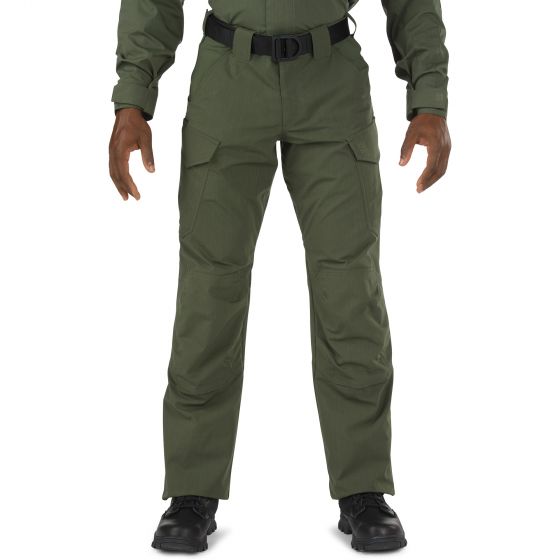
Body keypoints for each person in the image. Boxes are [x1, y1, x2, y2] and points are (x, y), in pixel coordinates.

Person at [108, 0, 451, 553]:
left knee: (350, 290)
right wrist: (132, 100)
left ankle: (363, 487)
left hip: (332, 83)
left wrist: (429, 97)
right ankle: (192, 490)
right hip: (228, 82)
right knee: (208, 293)